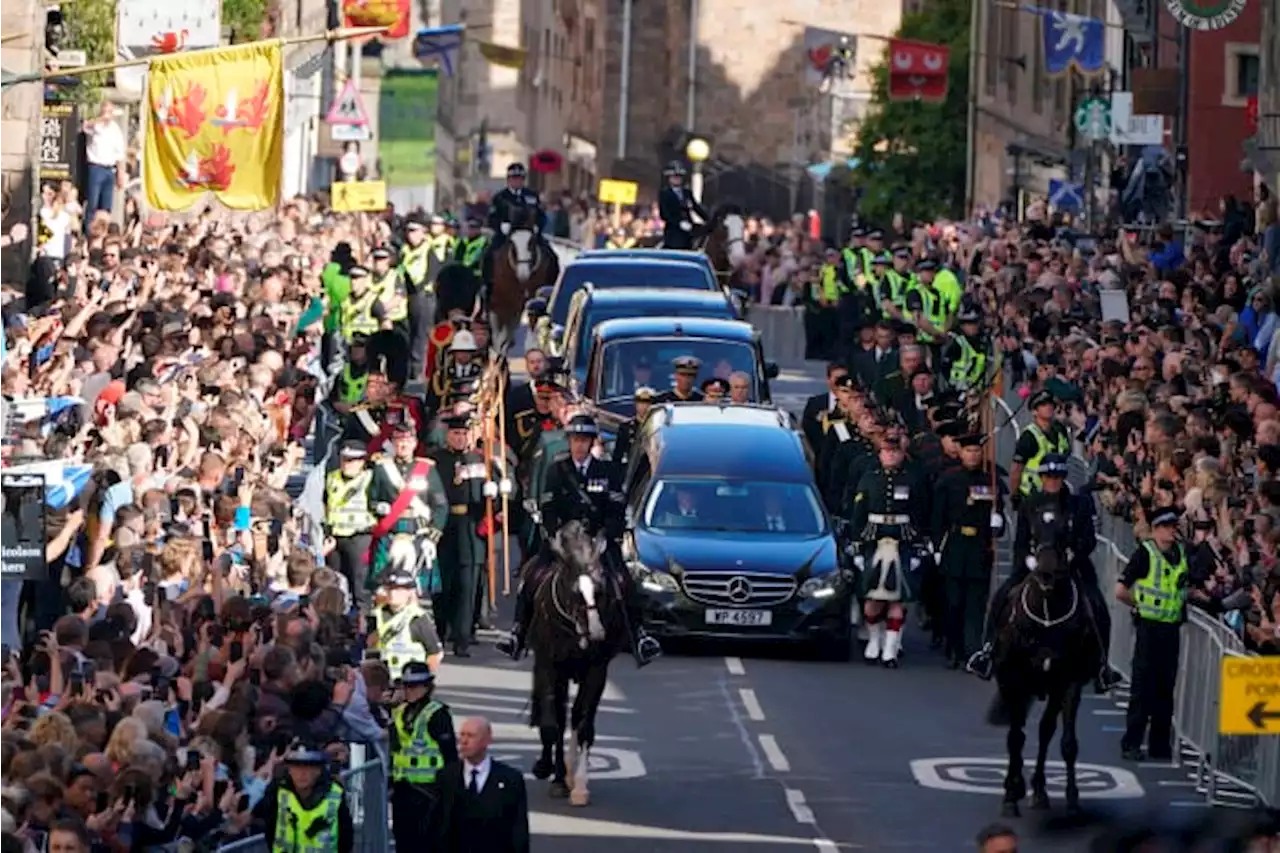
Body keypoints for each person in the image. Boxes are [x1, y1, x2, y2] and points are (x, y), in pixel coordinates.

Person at [498, 414, 661, 666]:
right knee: (532, 575)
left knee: (623, 579)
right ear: (569, 441)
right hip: (565, 540)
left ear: (592, 443)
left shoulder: (607, 472)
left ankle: (639, 636)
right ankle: (517, 633)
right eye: (575, 440)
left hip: (597, 541)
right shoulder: (557, 470)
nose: (580, 445)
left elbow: (616, 509)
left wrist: (607, 534)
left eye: (585, 440)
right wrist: (555, 535)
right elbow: (549, 508)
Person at [966, 453, 1121, 691]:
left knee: (1097, 605)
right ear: (1041, 477)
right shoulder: (1031, 503)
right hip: (1034, 564)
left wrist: (1074, 555)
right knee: (1002, 597)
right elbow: (1021, 539)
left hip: (1071, 565)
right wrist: (1027, 561)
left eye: (1057, 477)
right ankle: (987, 651)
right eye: (1048, 476)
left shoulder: (1077, 503)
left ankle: (1102, 667)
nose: (1053, 481)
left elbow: (1088, 539)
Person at [849, 423, 928, 667]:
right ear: (880, 454)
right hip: (874, 541)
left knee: (898, 600)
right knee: (872, 600)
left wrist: (918, 547)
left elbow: (920, 513)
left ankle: (890, 650)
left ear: (902, 454)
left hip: (902, 541)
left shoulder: (911, 479)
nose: (891, 455)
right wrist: (858, 546)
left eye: (895, 452)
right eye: (886, 451)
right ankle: (874, 640)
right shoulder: (869, 479)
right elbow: (859, 513)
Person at [1116, 507, 1187, 762]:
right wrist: (1139, 604)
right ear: (1156, 529)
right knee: (1142, 688)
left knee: (1165, 689)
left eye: (1174, 526)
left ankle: (1159, 745)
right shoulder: (1145, 554)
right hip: (1149, 628)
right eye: (1167, 526)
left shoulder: (1180, 553)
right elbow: (1120, 590)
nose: (1172, 530)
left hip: (1171, 629)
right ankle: (1131, 743)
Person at [930, 432, 1004, 669]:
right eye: (968, 451)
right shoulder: (949, 481)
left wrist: (998, 522)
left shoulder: (990, 480)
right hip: (955, 544)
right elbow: (938, 517)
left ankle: (972, 651)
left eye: (976, 451)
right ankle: (954, 648)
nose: (973, 455)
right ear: (960, 453)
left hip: (980, 547)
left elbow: (999, 512)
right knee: (954, 602)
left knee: (976, 603)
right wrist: (936, 545)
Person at [429, 413, 493, 657]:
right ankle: (440, 629)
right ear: (448, 435)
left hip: (470, 526)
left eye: (464, 433)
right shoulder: (437, 460)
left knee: (468, 585)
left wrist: (495, 493)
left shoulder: (481, 461)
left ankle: (463, 636)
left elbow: (496, 498)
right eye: (455, 433)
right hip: (445, 527)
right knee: (443, 582)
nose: (459, 438)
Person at [367, 421, 448, 591]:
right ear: (393, 443)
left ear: (415, 443)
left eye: (407, 441)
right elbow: (371, 500)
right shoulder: (382, 469)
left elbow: (440, 505)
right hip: (391, 532)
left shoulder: (426, 469)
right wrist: (379, 507)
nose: (403, 445)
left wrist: (432, 537)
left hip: (418, 532)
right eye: (398, 440)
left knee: (418, 591)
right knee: (384, 587)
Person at [389, 661, 458, 853]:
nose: (409, 690)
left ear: (427, 686)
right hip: (403, 789)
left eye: (414, 686)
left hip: (430, 792)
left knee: (427, 845)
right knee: (404, 842)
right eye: (406, 686)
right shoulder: (400, 712)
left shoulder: (437, 714)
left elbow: (450, 755)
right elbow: (395, 750)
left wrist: (451, 793)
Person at [435, 716, 530, 853]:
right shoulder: (447, 777)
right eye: (462, 735)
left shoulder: (510, 779)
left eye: (471, 736)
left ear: (487, 740)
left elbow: (519, 830)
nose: (464, 741)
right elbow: (438, 826)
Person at [255, 744, 354, 853]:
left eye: (308, 767)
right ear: (289, 769)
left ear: (318, 770)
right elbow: (268, 828)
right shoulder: (277, 792)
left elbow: (346, 840)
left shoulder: (335, 794)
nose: (302, 773)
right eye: (297, 767)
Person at [484, 163, 558, 286]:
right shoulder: (500, 197)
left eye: (519, 178)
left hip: (530, 234)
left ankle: (550, 287)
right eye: (514, 178)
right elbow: (492, 218)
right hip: (507, 235)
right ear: (508, 180)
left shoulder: (531, 196)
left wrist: (537, 226)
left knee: (551, 255)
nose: (517, 181)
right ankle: (487, 288)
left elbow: (541, 215)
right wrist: (501, 226)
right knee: (488, 255)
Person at [325, 441, 375, 615]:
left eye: (353, 460)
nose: (347, 464)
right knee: (335, 584)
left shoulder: (370, 479)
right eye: (345, 459)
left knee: (359, 585)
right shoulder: (332, 477)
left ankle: (361, 624)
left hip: (360, 536)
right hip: (335, 537)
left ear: (362, 461)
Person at [370, 566, 444, 678]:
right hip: (380, 683)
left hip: (408, 684)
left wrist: (420, 679)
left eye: (398, 590)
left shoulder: (417, 618)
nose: (393, 593)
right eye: (390, 589)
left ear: (409, 592)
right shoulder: (376, 615)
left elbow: (435, 653)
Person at [1009, 389, 1070, 502]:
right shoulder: (1029, 436)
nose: (1049, 407)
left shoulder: (1060, 430)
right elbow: (1016, 469)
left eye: (1050, 403)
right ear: (1034, 411)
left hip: (1058, 492)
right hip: (1032, 496)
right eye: (1043, 405)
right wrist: (1015, 494)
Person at [82, 101, 126, 227]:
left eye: (110, 112)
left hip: (109, 169)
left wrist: (120, 174)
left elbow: (119, 154)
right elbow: (85, 126)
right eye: (105, 111)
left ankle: (104, 230)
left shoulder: (115, 129)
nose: (108, 114)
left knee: (106, 205)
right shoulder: (96, 126)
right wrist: (101, 119)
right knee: (93, 203)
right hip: (96, 167)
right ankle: (88, 232)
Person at [658, 161, 707, 250]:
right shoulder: (664, 194)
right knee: (677, 242)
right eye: (675, 177)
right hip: (674, 230)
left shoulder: (687, 192)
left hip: (689, 226)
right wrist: (679, 223)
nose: (677, 179)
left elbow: (696, 207)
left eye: (679, 177)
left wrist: (708, 220)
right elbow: (664, 214)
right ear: (669, 178)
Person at [612, 386, 655, 468]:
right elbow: (617, 456)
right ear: (636, 404)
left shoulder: (658, 427)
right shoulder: (626, 427)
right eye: (641, 402)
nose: (645, 406)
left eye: (648, 403)